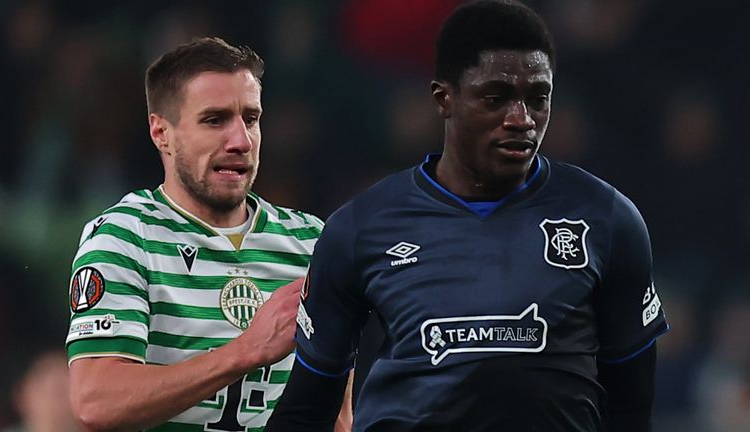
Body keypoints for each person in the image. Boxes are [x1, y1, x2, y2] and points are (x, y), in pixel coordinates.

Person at [266, 1, 669, 431]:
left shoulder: (606, 218)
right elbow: (308, 409)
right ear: (444, 98)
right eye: (496, 98)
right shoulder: (360, 227)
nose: (521, 119)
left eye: (538, 99)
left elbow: (632, 408)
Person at [65, 37, 351, 431]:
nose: (241, 141)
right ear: (161, 133)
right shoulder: (126, 238)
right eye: (214, 120)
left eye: (250, 118)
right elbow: (96, 402)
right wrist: (243, 353)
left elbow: (337, 416)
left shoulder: (312, 242)